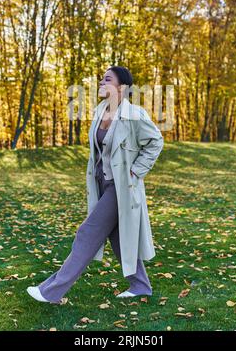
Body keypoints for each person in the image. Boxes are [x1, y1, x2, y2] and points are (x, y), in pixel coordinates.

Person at [27, 66, 164, 304]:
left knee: (87, 233)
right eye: (102, 78)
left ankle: (51, 291)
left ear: (121, 88)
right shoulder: (101, 110)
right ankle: (140, 286)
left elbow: (156, 141)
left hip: (121, 187)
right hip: (101, 183)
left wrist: (136, 169)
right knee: (118, 237)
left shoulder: (135, 115)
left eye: (107, 79)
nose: (101, 82)